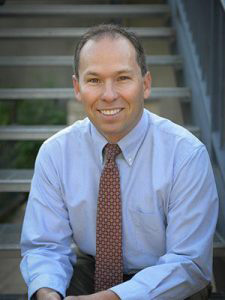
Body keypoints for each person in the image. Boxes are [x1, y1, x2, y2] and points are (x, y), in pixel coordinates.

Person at [20, 24, 218, 300]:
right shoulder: (55, 153)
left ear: (145, 84)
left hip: (168, 280)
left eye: (123, 78)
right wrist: (47, 293)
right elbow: (45, 246)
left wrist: (113, 298)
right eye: (94, 80)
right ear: (77, 88)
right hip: (91, 271)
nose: (109, 95)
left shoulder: (185, 155)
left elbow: (189, 262)